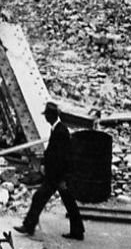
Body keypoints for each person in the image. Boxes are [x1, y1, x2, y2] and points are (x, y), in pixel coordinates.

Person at [15, 102, 84, 241]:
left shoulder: (61, 131)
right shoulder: (56, 129)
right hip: (55, 174)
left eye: (46, 115)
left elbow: (64, 156)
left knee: (40, 198)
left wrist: (63, 178)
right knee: (68, 202)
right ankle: (77, 231)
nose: (45, 118)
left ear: (51, 116)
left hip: (57, 176)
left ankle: (29, 226)